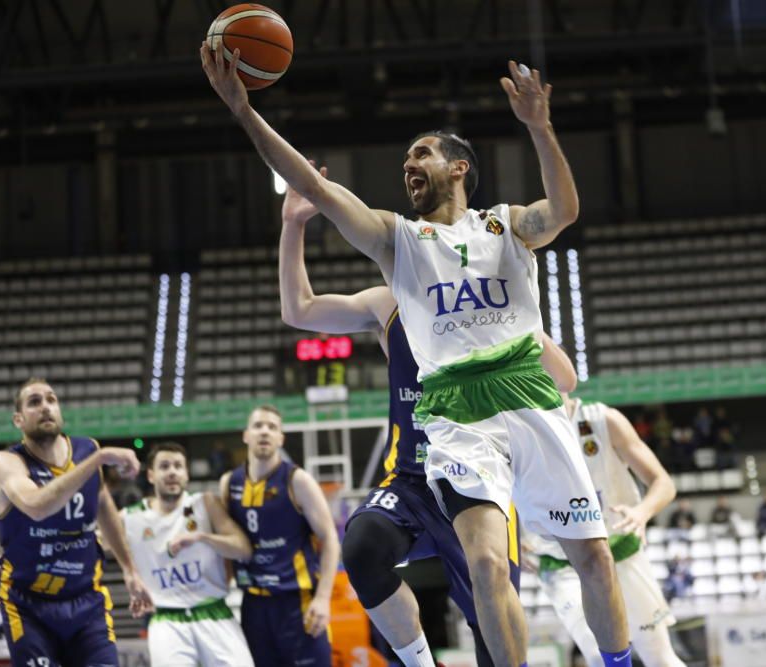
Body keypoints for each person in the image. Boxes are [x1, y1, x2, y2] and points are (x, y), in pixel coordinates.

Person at [201, 45, 632, 667]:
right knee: (485, 563)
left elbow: (564, 211)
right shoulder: (397, 241)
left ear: (459, 167)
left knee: (592, 556)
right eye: (406, 157)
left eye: (421, 153)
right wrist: (243, 110)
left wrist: (539, 127)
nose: (408, 163)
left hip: (530, 398)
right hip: (455, 412)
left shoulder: (505, 226)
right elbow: (314, 185)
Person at [278, 177, 578, 667]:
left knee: (494, 636)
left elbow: (564, 379)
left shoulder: (486, 309)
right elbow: (299, 310)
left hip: (480, 479)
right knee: (363, 547)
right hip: (415, 479)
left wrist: (518, 334)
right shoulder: (388, 303)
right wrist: (293, 225)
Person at [0, 378, 153, 666]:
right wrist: (99, 459)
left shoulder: (85, 449)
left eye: (51, 400)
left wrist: (130, 570)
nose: (45, 407)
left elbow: (104, 506)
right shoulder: (7, 462)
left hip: (85, 602)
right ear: (18, 420)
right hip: (28, 604)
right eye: (34, 402)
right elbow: (36, 506)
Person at [523, 395, 686, 667]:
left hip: (620, 549)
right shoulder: (518, 424)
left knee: (660, 657)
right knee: (599, 656)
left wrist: (641, 513)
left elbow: (663, 482)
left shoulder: (603, 419)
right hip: (561, 563)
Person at [220, 405, 341, 667]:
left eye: (272, 427)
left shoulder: (298, 480)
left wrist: (322, 598)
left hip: (298, 601)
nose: (265, 431)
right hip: (253, 604)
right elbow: (226, 545)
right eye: (258, 426)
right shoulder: (229, 483)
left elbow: (330, 538)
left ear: (280, 439)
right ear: (246, 435)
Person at [122, 442, 255, 667]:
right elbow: (95, 540)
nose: (172, 471)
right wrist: (129, 573)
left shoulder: (205, 503)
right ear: (151, 475)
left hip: (213, 612)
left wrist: (202, 537)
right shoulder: (131, 517)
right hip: (167, 619)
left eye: (178, 466)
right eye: (164, 466)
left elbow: (243, 549)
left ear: (186, 474)